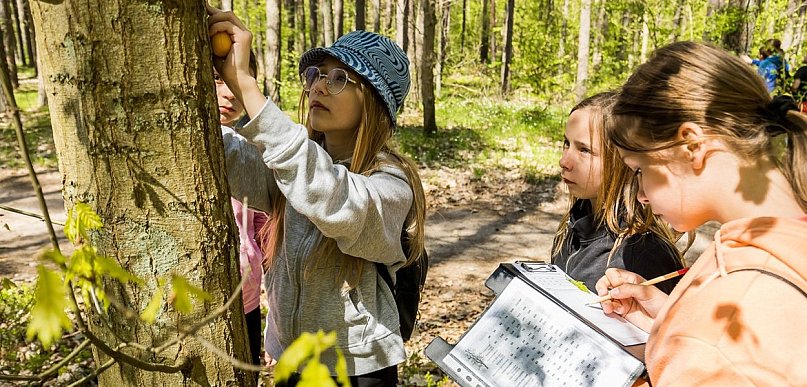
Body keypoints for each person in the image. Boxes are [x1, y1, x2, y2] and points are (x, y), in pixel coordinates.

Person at [207, 6, 426, 386]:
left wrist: (248, 87)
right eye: (315, 74)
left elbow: (331, 197)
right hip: (291, 361)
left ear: (374, 101)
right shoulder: (295, 166)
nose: (318, 86)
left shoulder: (391, 184)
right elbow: (225, 157)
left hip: (357, 371)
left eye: (339, 78)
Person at [595, 41, 807, 385]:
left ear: (691, 145)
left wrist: (694, 345)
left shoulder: (723, 334)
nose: (642, 195)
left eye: (639, 169)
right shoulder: (775, 241)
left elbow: (720, 354)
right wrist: (668, 321)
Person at [552, 92, 684, 294]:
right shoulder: (573, 227)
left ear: (623, 160)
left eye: (584, 150)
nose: (564, 161)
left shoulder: (643, 255)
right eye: (567, 144)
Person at [214, 54, 267, 369]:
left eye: (238, 81)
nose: (230, 92)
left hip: (246, 303)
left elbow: (263, 227)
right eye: (219, 79)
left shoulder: (249, 150)